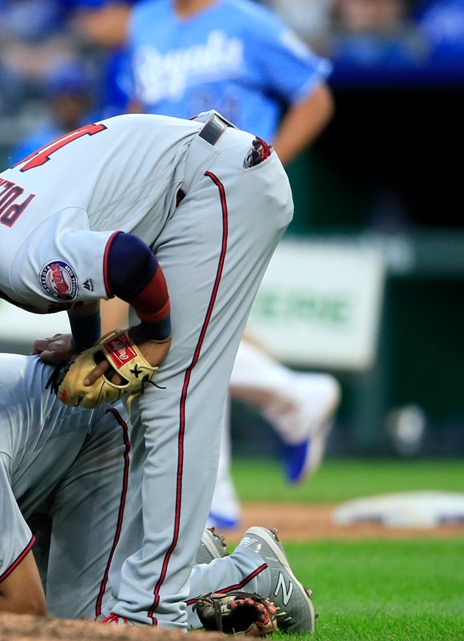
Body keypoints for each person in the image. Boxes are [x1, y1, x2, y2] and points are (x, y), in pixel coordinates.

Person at [0, 110, 292, 629]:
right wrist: (87, 344)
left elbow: (126, 258)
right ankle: (173, 573)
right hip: (199, 176)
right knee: (150, 403)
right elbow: (86, 258)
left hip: (216, 186)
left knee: (172, 398)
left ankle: (149, 612)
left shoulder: (16, 263)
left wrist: (153, 335)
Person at [0, 353, 316, 632]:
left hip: (91, 432)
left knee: (78, 625)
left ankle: (254, 571)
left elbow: (23, 606)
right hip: (25, 449)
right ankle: (168, 564)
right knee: (74, 607)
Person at [119, 0, 340, 529]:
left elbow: (316, 99)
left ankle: (219, 489)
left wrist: (267, 168)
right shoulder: (147, 21)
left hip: (229, 190)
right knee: (182, 330)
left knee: (181, 331)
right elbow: (139, 108)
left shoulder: (247, 21)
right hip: (168, 192)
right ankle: (290, 401)